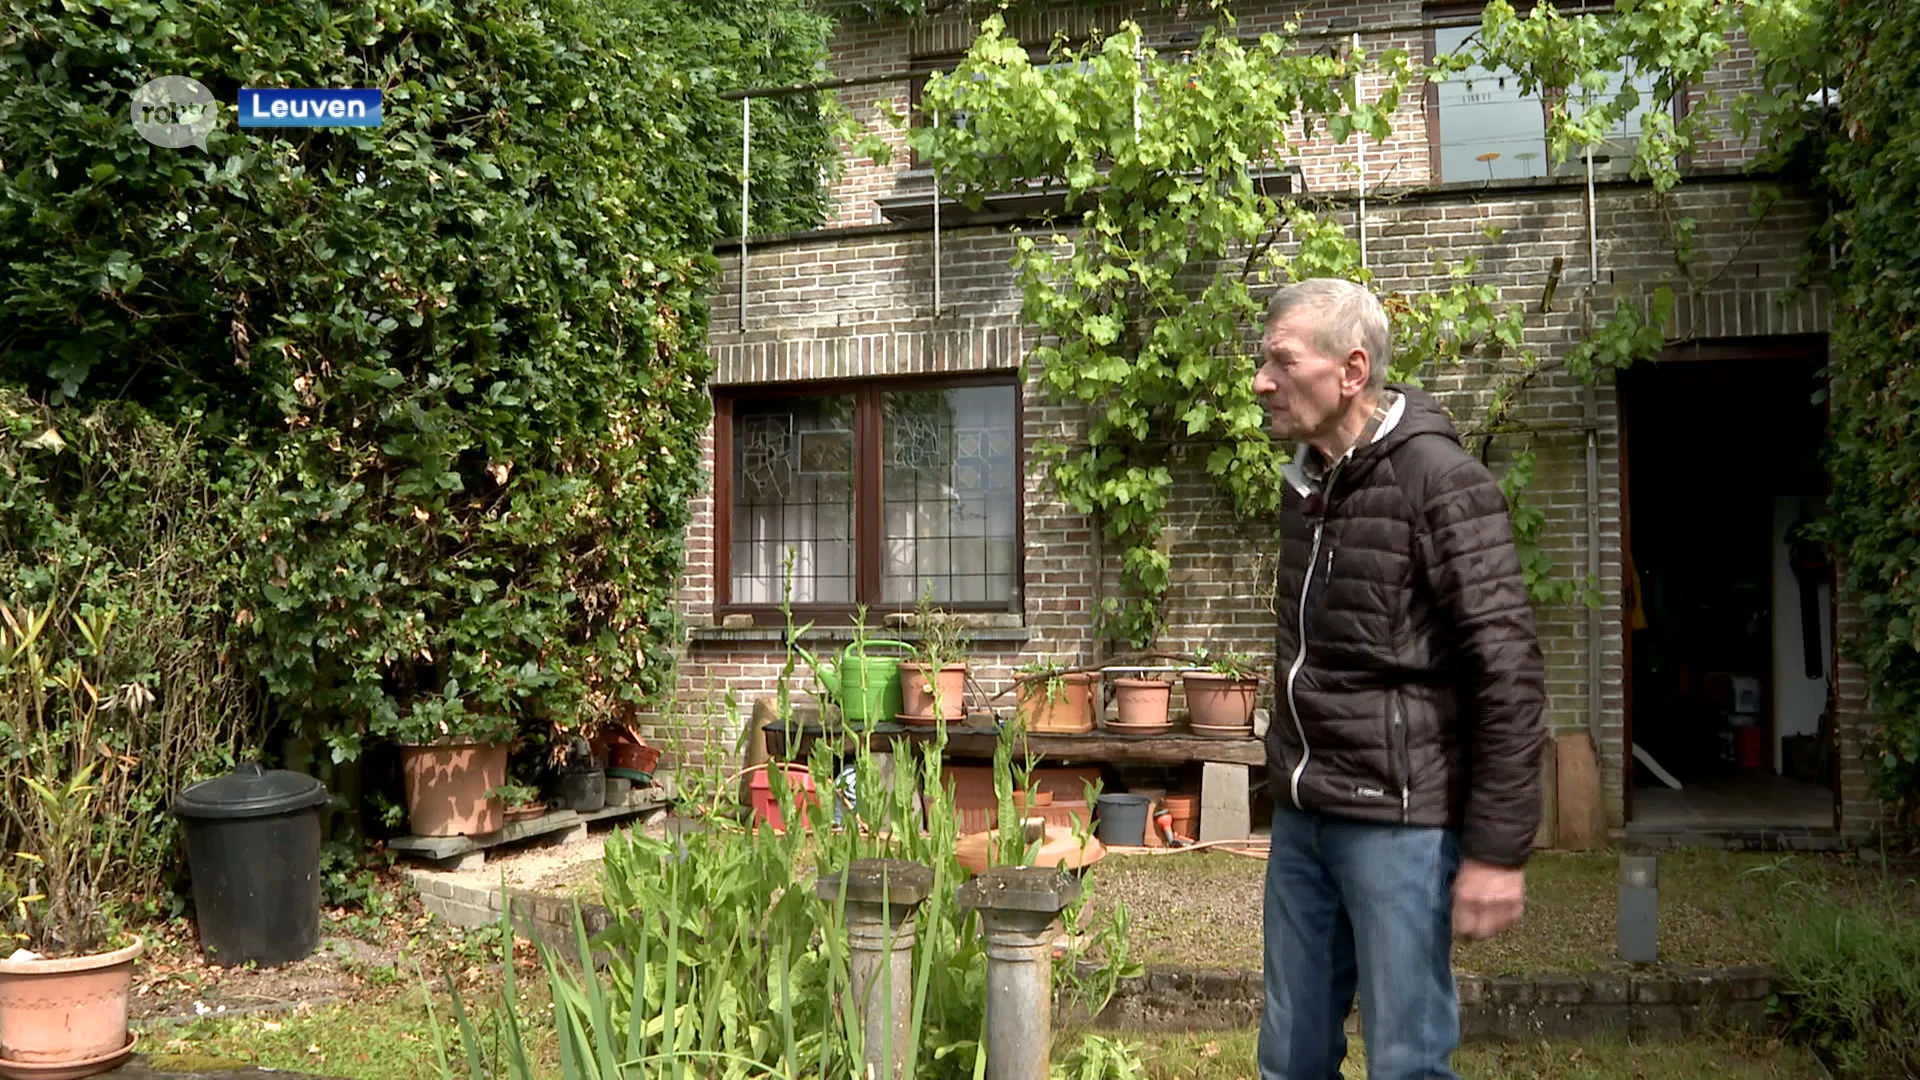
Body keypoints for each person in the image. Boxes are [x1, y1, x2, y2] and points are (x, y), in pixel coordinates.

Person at [1251, 278, 1547, 1080]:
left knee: (1406, 1064)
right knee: (1289, 1057)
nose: (1260, 381)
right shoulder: (1307, 482)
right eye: (1261, 360)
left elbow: (1508, 673)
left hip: (1401, 824)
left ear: (1351, 370)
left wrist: (1496, 852)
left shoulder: (1440, 483)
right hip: (1304, 818)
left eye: (1280, 361)